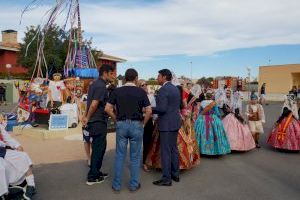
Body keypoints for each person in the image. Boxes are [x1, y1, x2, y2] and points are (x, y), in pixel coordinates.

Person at [105, 69, 152, 192]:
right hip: (136, 124)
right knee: (135, 157)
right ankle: (134, 184)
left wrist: (116, 120)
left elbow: (107, 108)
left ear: (125, 78)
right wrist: (143, 123)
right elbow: (149, 110)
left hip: (122, 124)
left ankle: (116, 185)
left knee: (120, 156)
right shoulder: (141, 92)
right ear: (136, 78)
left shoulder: (116, 91)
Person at [82, 64, 115, 185]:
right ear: (105, 73)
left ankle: (96, 172)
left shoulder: (94, 84)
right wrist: (88, 117)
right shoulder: (101, 86)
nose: (113, 76)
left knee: (99, 148)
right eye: (111, 73)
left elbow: (89, 103)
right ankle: (92, 176)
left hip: (94, 121)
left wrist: (86, 116)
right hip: (98, 122)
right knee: (98, 149)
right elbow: (94, 104)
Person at [151, 69, 181, 186]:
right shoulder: (175, 88)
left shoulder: (163, 90)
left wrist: (149, 109)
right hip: (174, 122)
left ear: (164, 77)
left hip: (166, 124)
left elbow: (162, 109)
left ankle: (166, 178)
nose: (157, 78)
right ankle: (175, 174)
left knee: (166, 151)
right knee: (174, 149)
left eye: (158, 76)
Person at [0, 115, 36, 200]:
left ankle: (31, 186)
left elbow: (7, 138)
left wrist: (17, 145)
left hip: (2, 151)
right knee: (1, 168)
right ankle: (3, 195)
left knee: (23, 156)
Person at [194, 90, 231, 155]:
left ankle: (202, 149)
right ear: (211, 97)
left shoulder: (202, 102)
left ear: (206, 96)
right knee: (214, 133)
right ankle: (214, 150)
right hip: (212, 118)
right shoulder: (214, 103)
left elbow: (200, 111)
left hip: (203, 118)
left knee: (202, 133)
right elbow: (217, 112)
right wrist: (219, 118)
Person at [138, 80, 155, 172]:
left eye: (145, 84)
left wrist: (145, 109)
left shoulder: (151, 96)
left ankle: (145, 162)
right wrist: (146, 109)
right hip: (138, 120)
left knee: (147, 143)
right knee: (136, 143)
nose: (144, 86)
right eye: (142, 85)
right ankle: (136, 162)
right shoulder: (137, 96)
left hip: (148, 121)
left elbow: (153, 109)